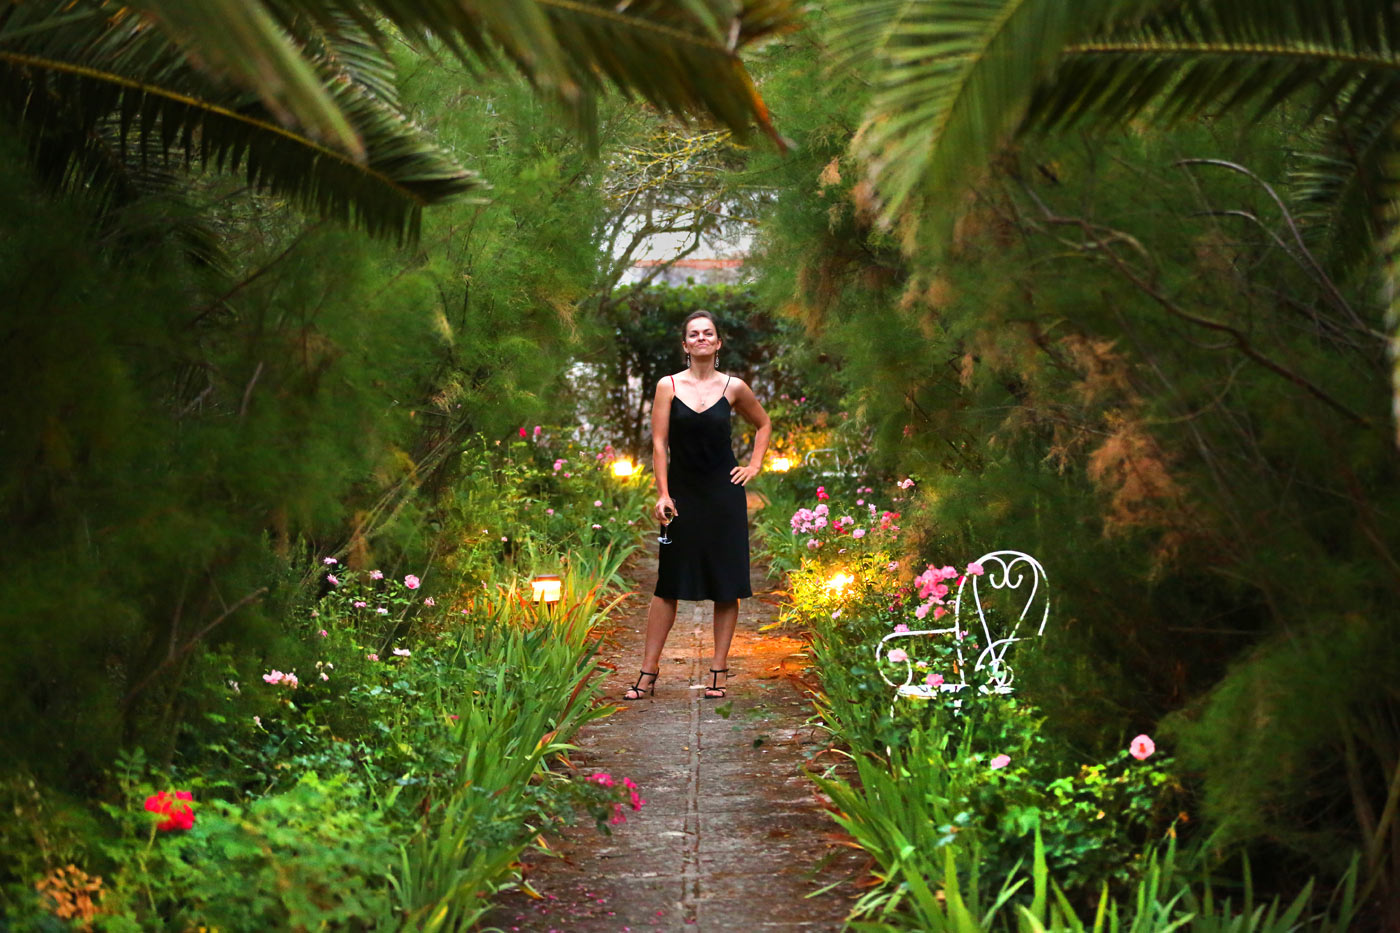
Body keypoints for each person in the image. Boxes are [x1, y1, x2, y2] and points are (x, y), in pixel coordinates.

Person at [623, 310, 771, 701]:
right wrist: (663, 493)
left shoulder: (734, 387)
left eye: (709, 333)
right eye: (694, 334)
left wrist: (753, 465)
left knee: (726, 585)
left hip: (724, 496)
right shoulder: (667, 386)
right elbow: (659, 444)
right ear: (685, 345)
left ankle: (719, 672)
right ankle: (647, 672)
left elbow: (764, 424)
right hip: (683, 496)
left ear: (718, 343)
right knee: (667, 584)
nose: (702, 338)